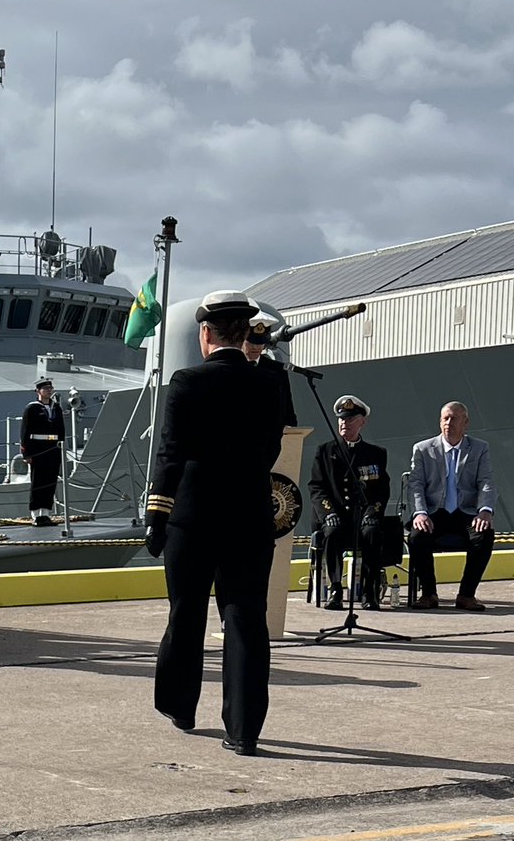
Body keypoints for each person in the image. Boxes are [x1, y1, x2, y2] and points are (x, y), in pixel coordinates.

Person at [145, 290, 285, 757]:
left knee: (187, 613)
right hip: (249, 517)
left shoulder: (187, 382)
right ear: (246, 334)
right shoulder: (271, 384)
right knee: (246, 619)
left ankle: (180, 707)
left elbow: (170, 454)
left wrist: (156, 514)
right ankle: (243, 730)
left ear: (205, 334)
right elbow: (269, 452)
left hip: (194, 516)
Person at [407, 401, 496, 611]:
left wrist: (485, 511)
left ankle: (466, 595)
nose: (449, 423)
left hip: (465, 512)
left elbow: (486, 482)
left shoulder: (479, 448)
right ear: (440, 422)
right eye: (445, 418)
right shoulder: (423, 449)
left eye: (454, 418)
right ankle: (428, 594)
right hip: (434, 512)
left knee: (484, 535)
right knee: (417, 536)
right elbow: (415, 484)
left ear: (465, 422)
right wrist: (419, 513)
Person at [307, 395, 390, 610]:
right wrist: (328, 514)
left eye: (351, 419)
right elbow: (316, 487)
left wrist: (373, 512)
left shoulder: (376, 454)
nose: (345, 423)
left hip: (361, 516)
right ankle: (335, 588)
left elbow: (381, 490)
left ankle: (369, 589)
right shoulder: (325, 451)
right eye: (342, 420)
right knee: (332, 533)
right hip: (335, 515)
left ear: (362, 422)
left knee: (373, 533)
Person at [20, 377, 66, 525]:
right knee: (38, 481)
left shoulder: (56, 407)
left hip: (52, 447)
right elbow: (25, 432)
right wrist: (26, 453)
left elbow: (61, 429)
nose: (48, 391)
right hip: (37, 448)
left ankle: (45, 513)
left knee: (50, 481)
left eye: (50, 389)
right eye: (45, 389)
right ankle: (35, 514)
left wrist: (62, 446)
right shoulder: (32, 408)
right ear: (38, 391)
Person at [243, 313, 298, 427]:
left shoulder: (277, 370)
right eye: (251, 342)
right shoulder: (231, 367)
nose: (256, 347)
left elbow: (287, 409)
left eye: (260, 342)